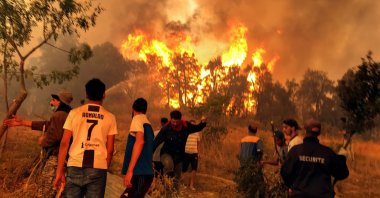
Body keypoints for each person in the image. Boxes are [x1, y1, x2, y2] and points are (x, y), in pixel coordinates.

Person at [54, 78, 118, 198]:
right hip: (98, 168)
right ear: (104, 94)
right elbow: (110, 150)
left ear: (86, 94)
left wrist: (59, 171)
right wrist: (103, 168)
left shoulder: (74, 113)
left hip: (74, 166)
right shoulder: (110, 117)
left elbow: (64, 143)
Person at [3, 90, 73, 198]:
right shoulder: (67, 115)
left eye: (53, 100)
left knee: (46, 189)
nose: (51, 102)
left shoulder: (59, 115)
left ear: (60, 102)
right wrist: (22, 122)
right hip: (64, 159)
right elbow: (47, 125)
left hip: (56, 158)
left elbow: (56, 136)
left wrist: (43, 140)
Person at [280, 119, 349, 198]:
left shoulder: (295, 151)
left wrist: (292, 186)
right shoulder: (327, 153)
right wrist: (342, 158)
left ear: (305, 131)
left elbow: (285, 173)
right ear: (319, 133)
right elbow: (342, 173)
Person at [153, 110, 207, 190]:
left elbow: (197, 128)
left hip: (179, 156)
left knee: (177, 177)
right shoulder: (166, 129)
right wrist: (149, 156)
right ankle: (165, 184)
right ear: (170, 119)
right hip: (166, 154)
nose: (175, 124)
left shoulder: (186, 126)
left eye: (177, 122)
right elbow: (155, 143)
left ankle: (174, 192)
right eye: (173, 122)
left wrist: (203, 123)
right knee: (169, 165)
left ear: (180, 120)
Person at [120, 98, 154, 198]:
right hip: (143, 173)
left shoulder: (137, 118)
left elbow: (139, 142)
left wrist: (129, 171)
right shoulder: (147, 123)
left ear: (133, 109)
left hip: (140, 173)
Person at [239, 121, 265, 198]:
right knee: (261, 185)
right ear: (256, 131)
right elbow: (259, 151)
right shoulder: (258, 140)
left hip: (243, 166)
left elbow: (241, 153)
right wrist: (259, 162)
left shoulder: (242, 140)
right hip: (254, 166)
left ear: (248, 130)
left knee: (247, 186)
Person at [182, 120, 201, 191]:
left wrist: (198, 153)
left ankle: (191, 185)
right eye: (191, 125)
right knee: (184, 169)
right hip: (186, 152)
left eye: (194, 125)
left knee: (194, 169)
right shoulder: (185, 132)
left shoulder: (197, 133)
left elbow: (198, 143)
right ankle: (185, 184)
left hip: (194, 153)